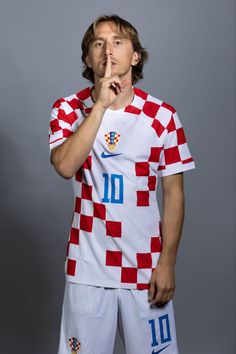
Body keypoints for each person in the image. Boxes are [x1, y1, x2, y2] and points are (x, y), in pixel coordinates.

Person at [49, 14, 195, 354]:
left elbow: (174, 194)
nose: (107, 50)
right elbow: (66, 165)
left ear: (135, 56)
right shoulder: (69, 108)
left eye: (118, 41)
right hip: (87, 268)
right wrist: (99, 105)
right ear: (88, 58)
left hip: (146, 269)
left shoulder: (162, 116)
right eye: (98, 43)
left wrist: (168, 263)